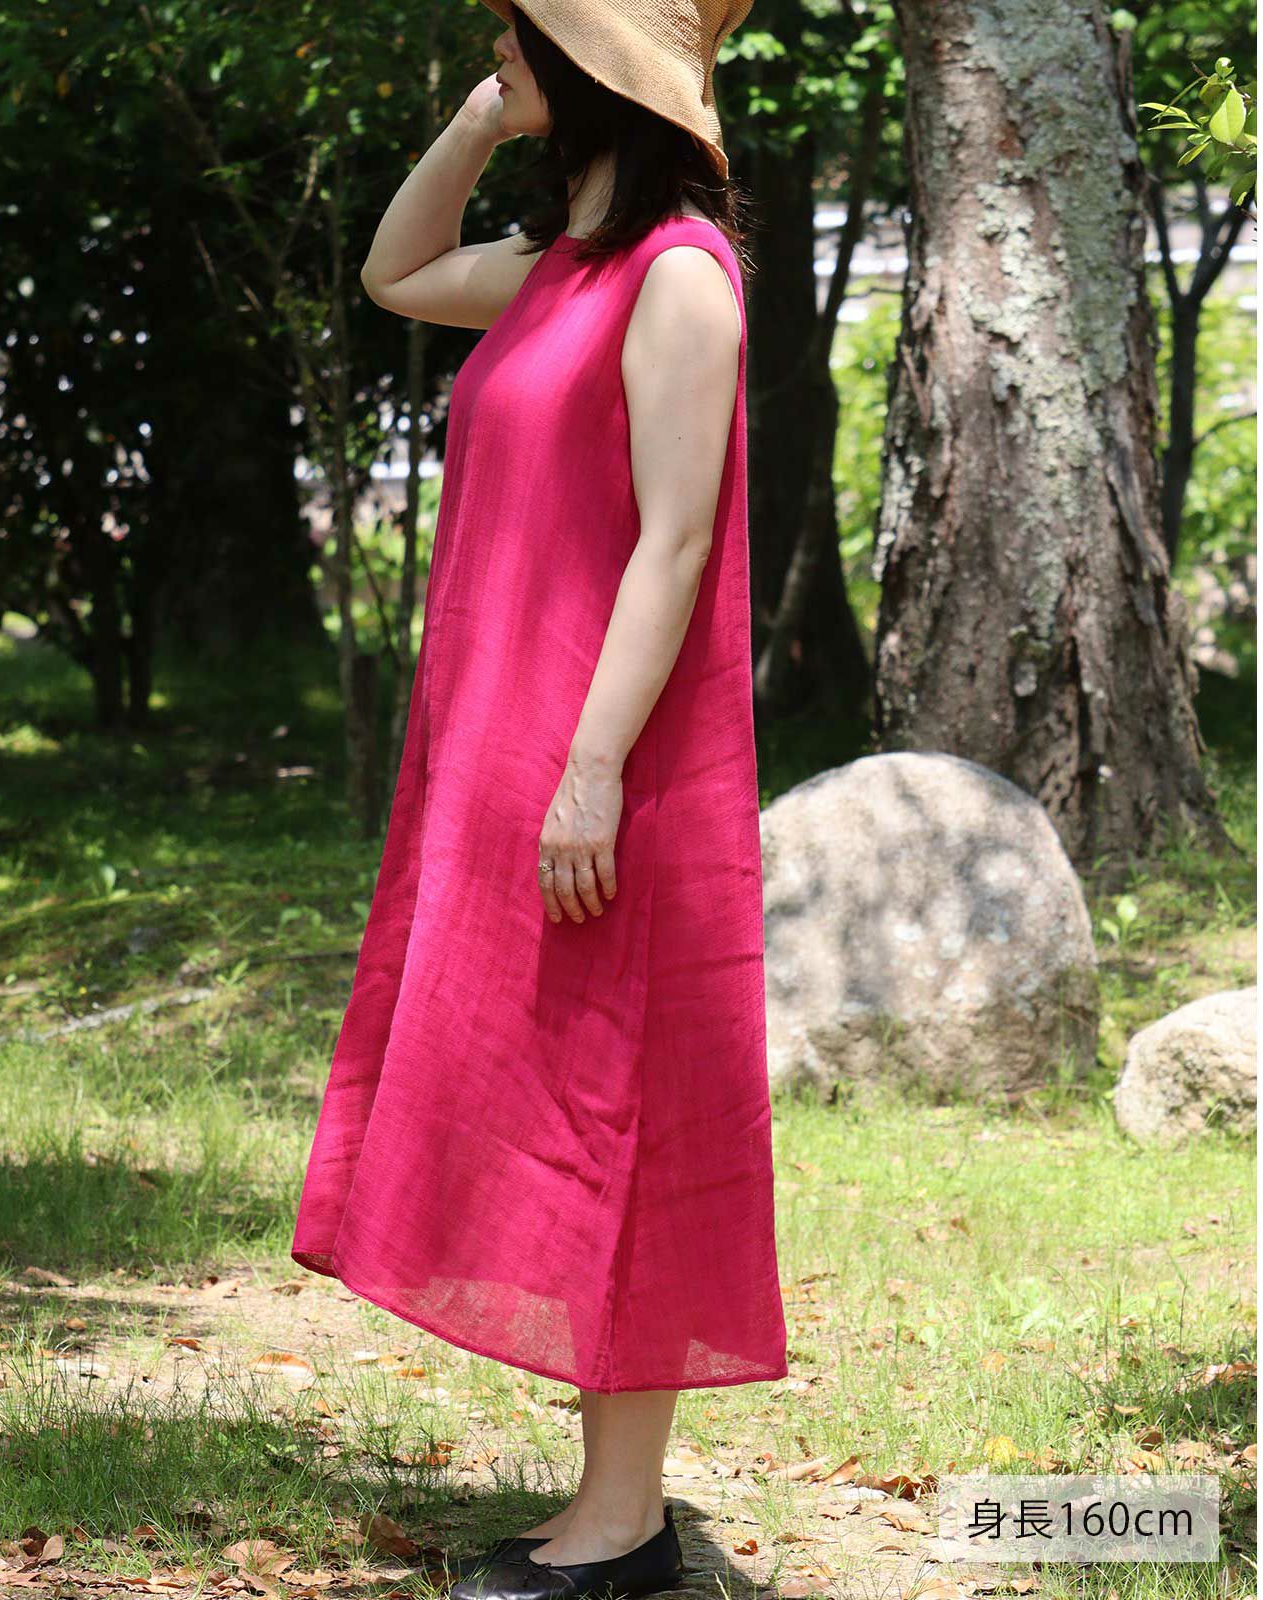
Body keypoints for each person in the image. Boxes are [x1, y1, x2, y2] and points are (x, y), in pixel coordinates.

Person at [290, 4, 785, 1596]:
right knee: (560, 1101)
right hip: (507, 751)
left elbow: (676, 541)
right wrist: (474, 122)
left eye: (523, 34)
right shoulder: (558, 268)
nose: (500, 44)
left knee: (624, 1117)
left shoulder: (678, 277)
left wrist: (590, 771)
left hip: (604, 769)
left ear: (592, 72)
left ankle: (625, 1525)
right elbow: (396, 274)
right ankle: (609, 1507)